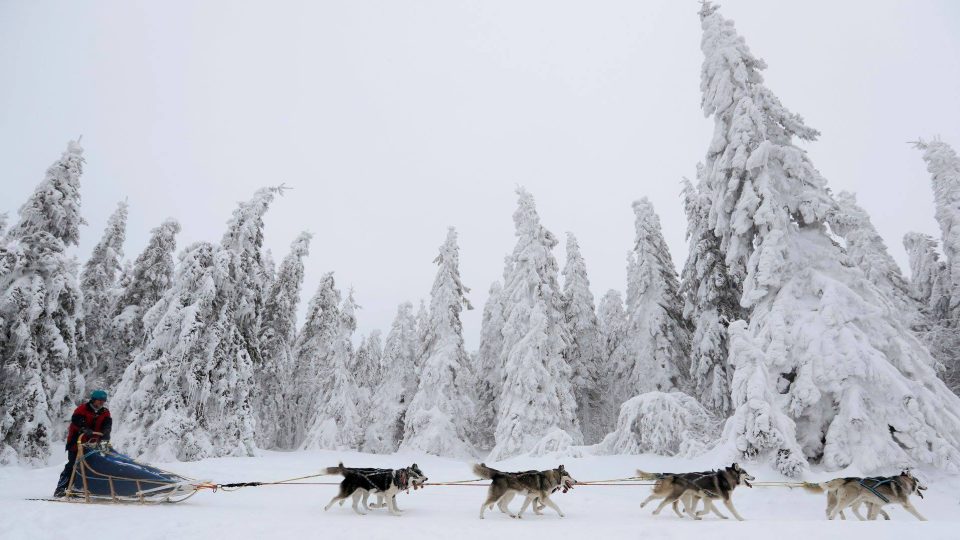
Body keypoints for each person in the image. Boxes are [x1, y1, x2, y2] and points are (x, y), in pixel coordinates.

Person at [53, 389, 112, 497]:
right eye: (99, 401)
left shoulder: (105, 412)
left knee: (92, 466)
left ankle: (80, 488)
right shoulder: (82, 409)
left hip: (93, 445)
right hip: (77, 443)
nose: (101, 403)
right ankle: (61, 488)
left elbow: (107, 425)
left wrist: (105, 436)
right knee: (73, 465)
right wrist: (84, 428)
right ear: (93, 400)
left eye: (103, 401)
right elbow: (76, 421)